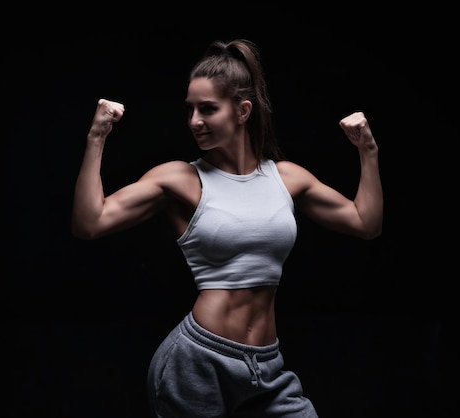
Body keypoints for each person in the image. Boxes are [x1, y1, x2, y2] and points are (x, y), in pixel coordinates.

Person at [72, 38, 383, 418]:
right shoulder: (181, 179)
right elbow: (90, 223)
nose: (194, 122)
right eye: (190, 110)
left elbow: (365, 223)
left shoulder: (285, 178)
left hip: (266, 367)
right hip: (198, 361)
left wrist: (367, 151)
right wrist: (96, 138)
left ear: (242, 110)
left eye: (208, 109)